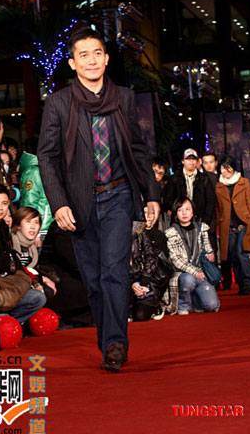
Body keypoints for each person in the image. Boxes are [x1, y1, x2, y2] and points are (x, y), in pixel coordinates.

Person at [37, 27, 160, 372]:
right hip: (78, 203)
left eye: (97, 53)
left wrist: (151, 193)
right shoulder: (59, 102)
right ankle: (108, 341)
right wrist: (59, 203)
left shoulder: (124, 97)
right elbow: (46, 156)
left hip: (119, 193)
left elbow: (138, 149)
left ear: (106, 59)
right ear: (73, 63)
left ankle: (116, 344)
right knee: (93, 280)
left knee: (115, 273)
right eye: (83, 55)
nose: (91, 60)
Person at [0, 184, 46, 324]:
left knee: (38, 297)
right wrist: (9, 261)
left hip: (6, 282)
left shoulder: (3, 227)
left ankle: (8, 322)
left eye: (4, 203)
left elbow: (12, 260)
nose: (0, 208)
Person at [165, 197, 220, 315]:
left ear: (193, 212)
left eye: (187, 209)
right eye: (180, 210)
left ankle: (194, 300)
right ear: (175, 214)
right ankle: (182, 304)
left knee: (211, 305)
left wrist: (210, 255)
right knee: (188, 279)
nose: (184, 213)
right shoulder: (171, 233)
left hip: (201, 272)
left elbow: (207, 248)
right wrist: (195, 272)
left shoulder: (201, 228)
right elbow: (176, 260)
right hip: (182, 274)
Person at [216, 155, 250, 295]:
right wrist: (218, 228)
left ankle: (248, 283)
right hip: (228, 227)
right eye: (223, 168)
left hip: (244, 225)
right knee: (233, 256)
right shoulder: (219, 186)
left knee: (241, 253)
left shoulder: (244, 182)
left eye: (228, 167)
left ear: (233, 167)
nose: (225, 170)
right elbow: (218, 210)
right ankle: (241, 284)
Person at [11, 206, 57, 303]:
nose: (33, 226)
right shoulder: (10, 242)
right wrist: (39, 280)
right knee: (39, 297)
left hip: (27, 281)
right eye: (28, 221)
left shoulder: (33, 247)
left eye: (36, 222)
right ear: (18, 225)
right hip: (12, 284)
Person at [164, 148, 216, 228]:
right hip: (178, 222)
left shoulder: (205, 179)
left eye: (194, 159)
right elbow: (168, 200)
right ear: (183, 161)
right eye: (188, 159)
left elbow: (211, 201)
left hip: (200, 221)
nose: (191, 161)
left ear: (197, 161)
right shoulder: (174, 179)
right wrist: (179, 212)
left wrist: (205, 221)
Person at [19, 136, 54, 244]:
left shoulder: (39, 169)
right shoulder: (33, 171)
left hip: (44, 225)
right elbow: (29, 202)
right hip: (39, 228)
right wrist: (34, 232)